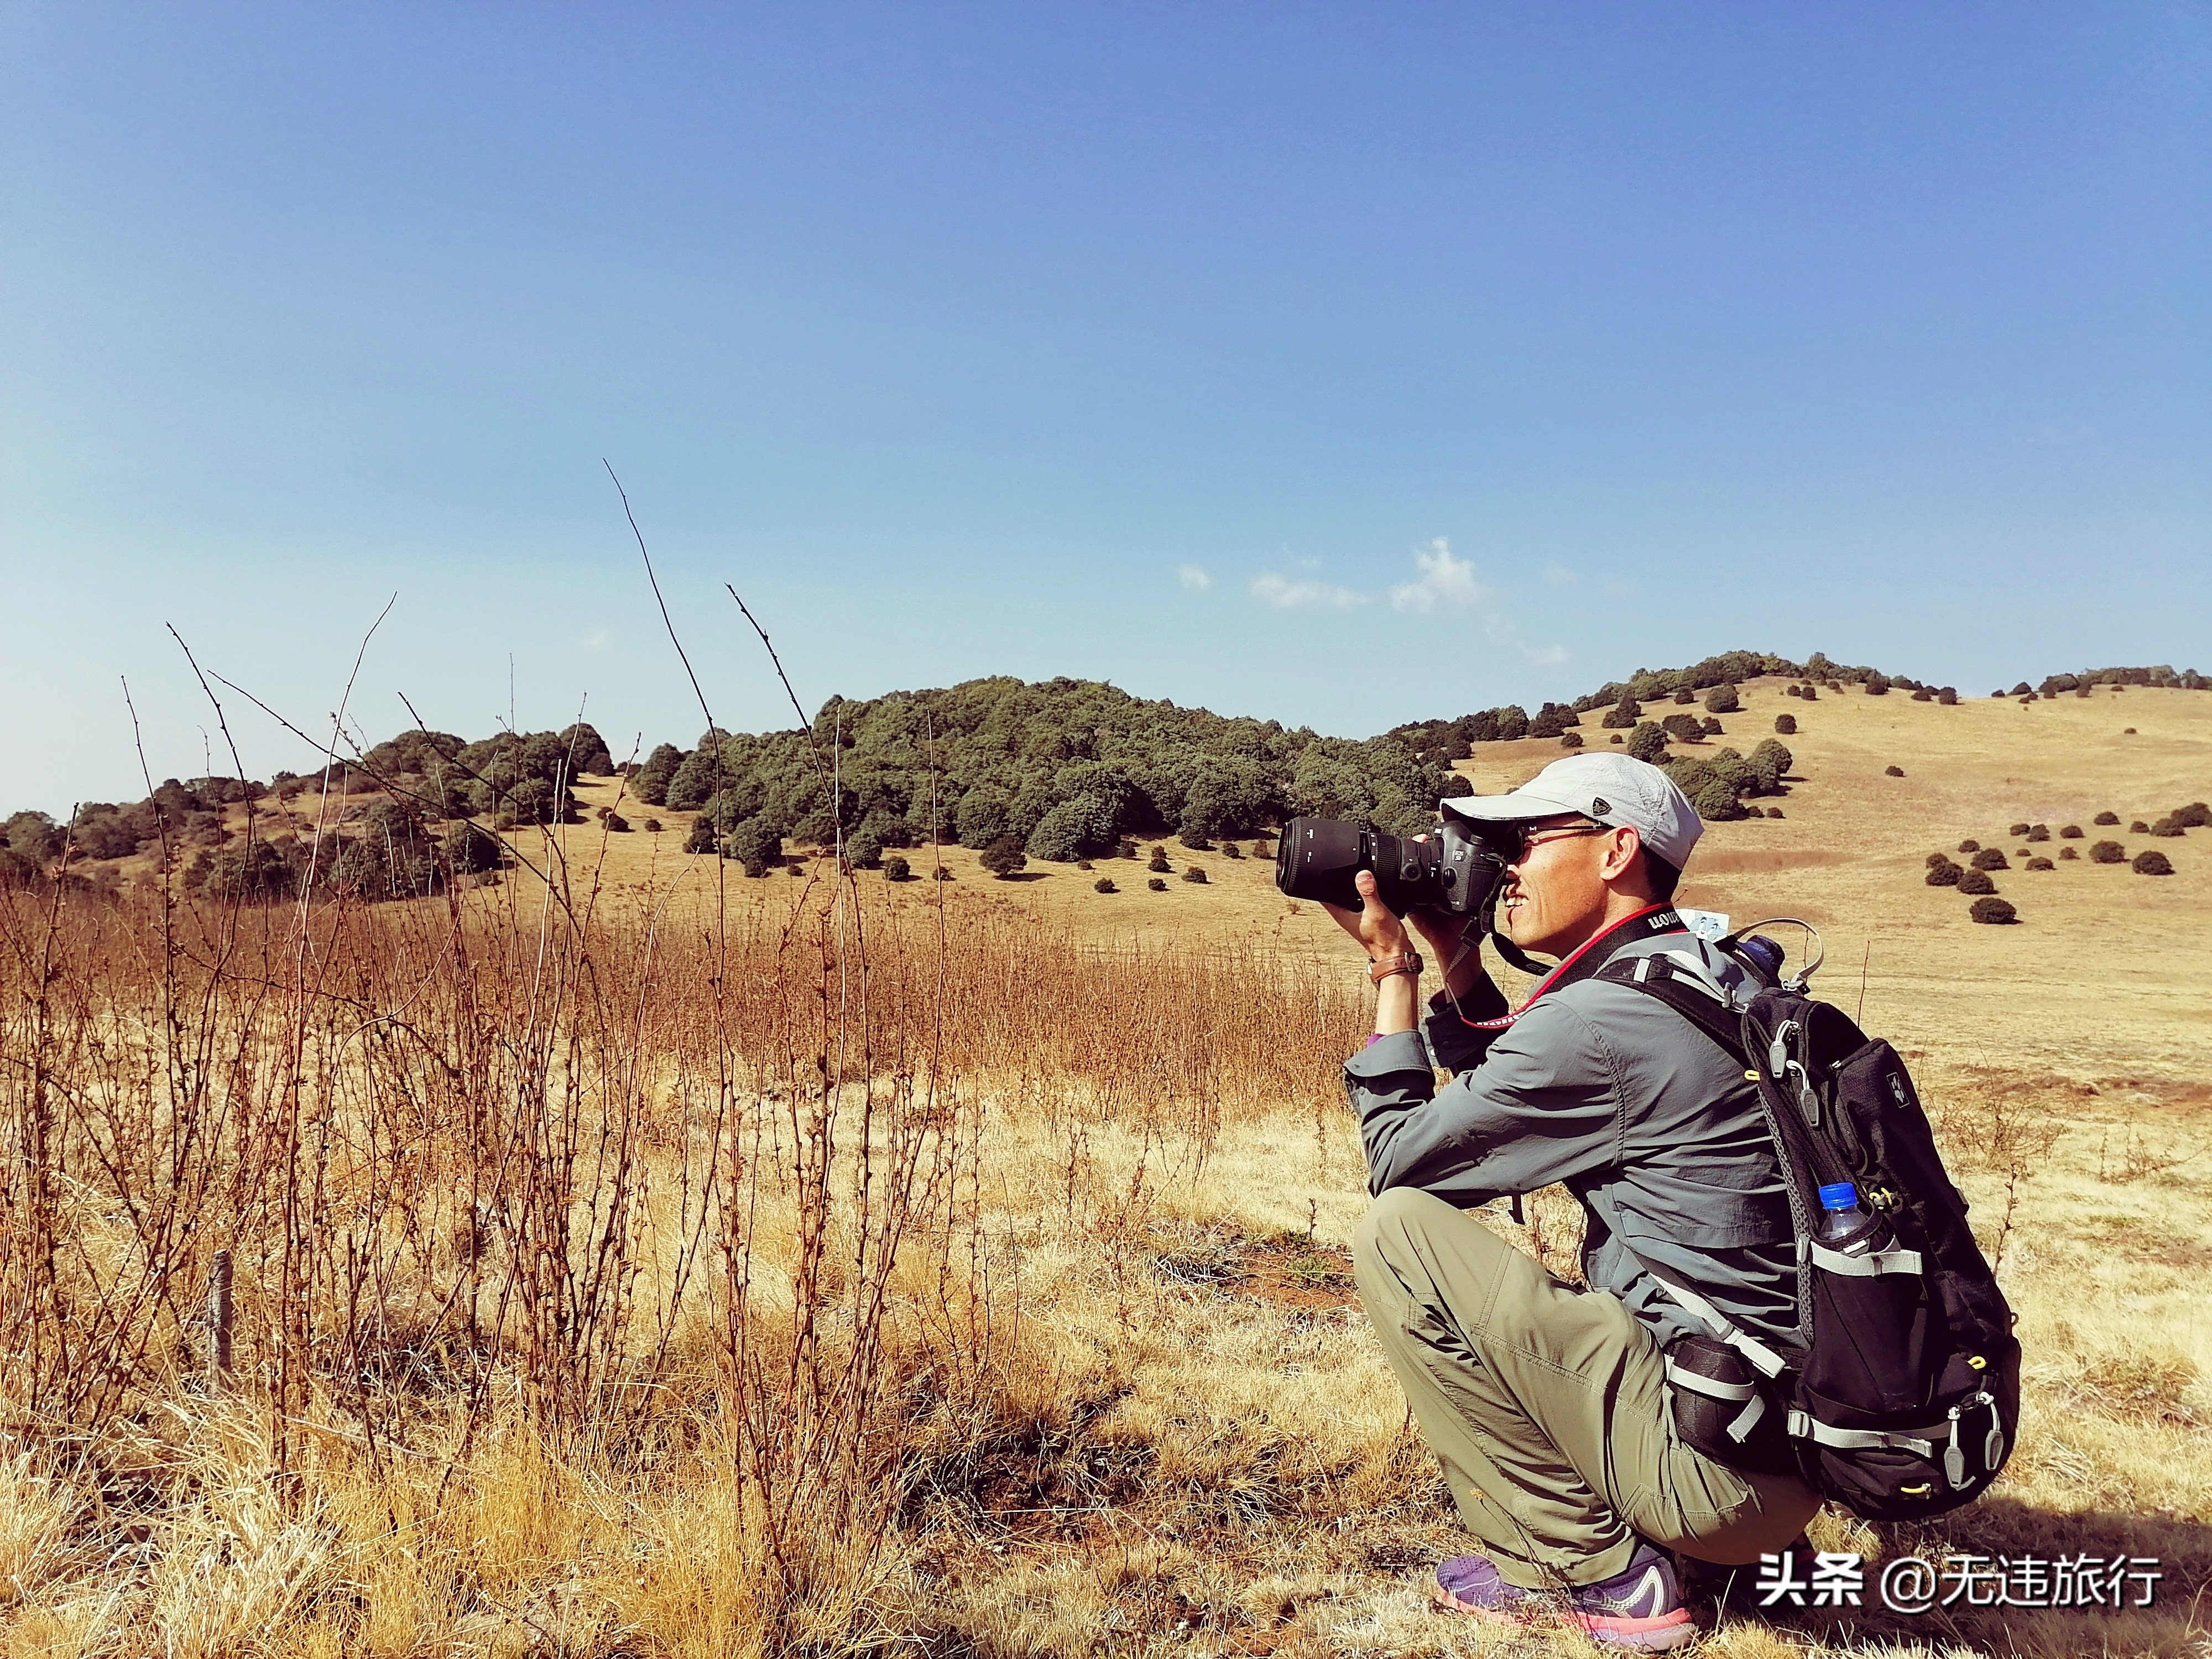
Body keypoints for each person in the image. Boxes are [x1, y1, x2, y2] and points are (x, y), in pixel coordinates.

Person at [1324, 752, 1818, 1652]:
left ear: (1616, 850)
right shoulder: (1714, 973)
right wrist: (1460, 963)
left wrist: (1395, 976)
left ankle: (1600, 1573)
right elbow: (1533, 1095)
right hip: (1795, 1444)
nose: (1501, 867)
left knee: (1400, 1236)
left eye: (1524, 841)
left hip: (1715, 1481)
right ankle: (1712, 1556)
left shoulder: (1600, 1020)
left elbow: (1404, 1161)